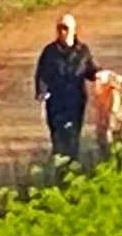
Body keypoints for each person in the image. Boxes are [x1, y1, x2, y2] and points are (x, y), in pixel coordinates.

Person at [34, 13, 117, 163]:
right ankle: (59, 171)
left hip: (75, 101)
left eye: (65, 28)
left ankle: (73, 168)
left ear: (74, 30)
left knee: (73, 137)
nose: (62, 32)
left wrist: (100, 74)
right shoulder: (50, 52)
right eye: (59, 28)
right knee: (58, 138)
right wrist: (42, 92)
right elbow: (42, 74)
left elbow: (89, 70)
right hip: (56, 103)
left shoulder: (82, 51)